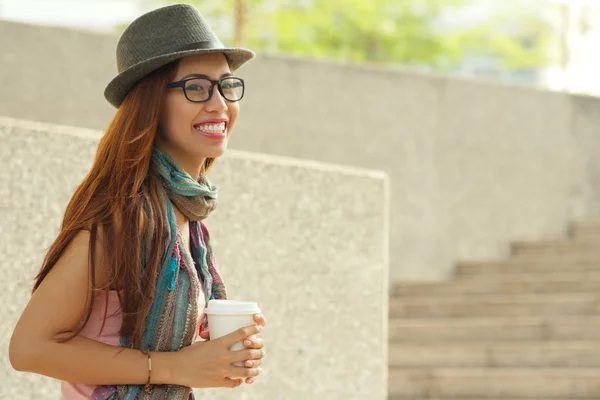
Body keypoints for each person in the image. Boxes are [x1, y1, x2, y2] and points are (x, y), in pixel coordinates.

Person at [8, 4, 266, 399]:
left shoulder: (187, 216)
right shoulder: (126, 215)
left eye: (227, 86)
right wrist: (175, 367)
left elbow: (138, 350)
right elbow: (29, 348)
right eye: (196, 87)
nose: (220, 104)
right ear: (150, 104)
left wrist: (213, 355)